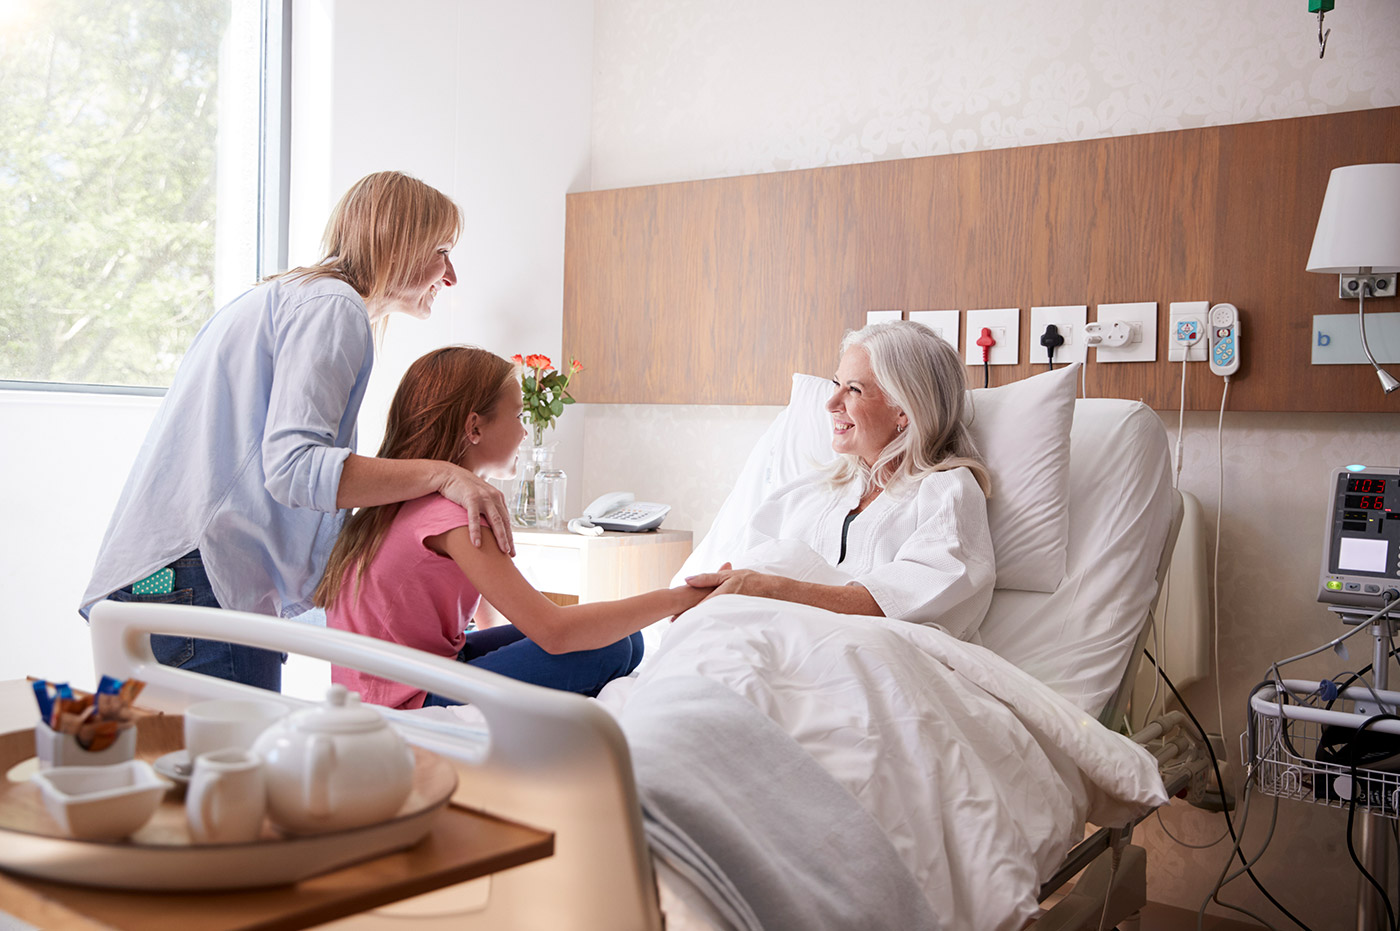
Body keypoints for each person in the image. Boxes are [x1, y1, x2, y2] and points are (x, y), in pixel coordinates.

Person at [81, 171, 514, 692]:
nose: (450, 275)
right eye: (441, 250)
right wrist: (445, 476)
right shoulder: (333, 307)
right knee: (234, 767)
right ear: (400, 242)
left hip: (165, 580)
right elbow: (293, 469)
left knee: (182, 766)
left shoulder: (288, 297)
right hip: (196, 580)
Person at [316, 346, 712, 709]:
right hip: (403, 697)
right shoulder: (452, 517)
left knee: (624, 639)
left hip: (417, 671)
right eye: (519, 415)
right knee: (607, 649)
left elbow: (495, 617)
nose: (525, 431)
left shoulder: (409, 502)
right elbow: (553, 631)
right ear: (474, 428)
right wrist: (681, 598)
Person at [685, 320, 996, 640]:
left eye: (854, 390)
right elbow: (731, 586)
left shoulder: (945, 492)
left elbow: (905, 603)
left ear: (903, 411)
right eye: (837, 384)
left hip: (877, 661)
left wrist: (771, 589)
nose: (831, 404)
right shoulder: (803, 493)